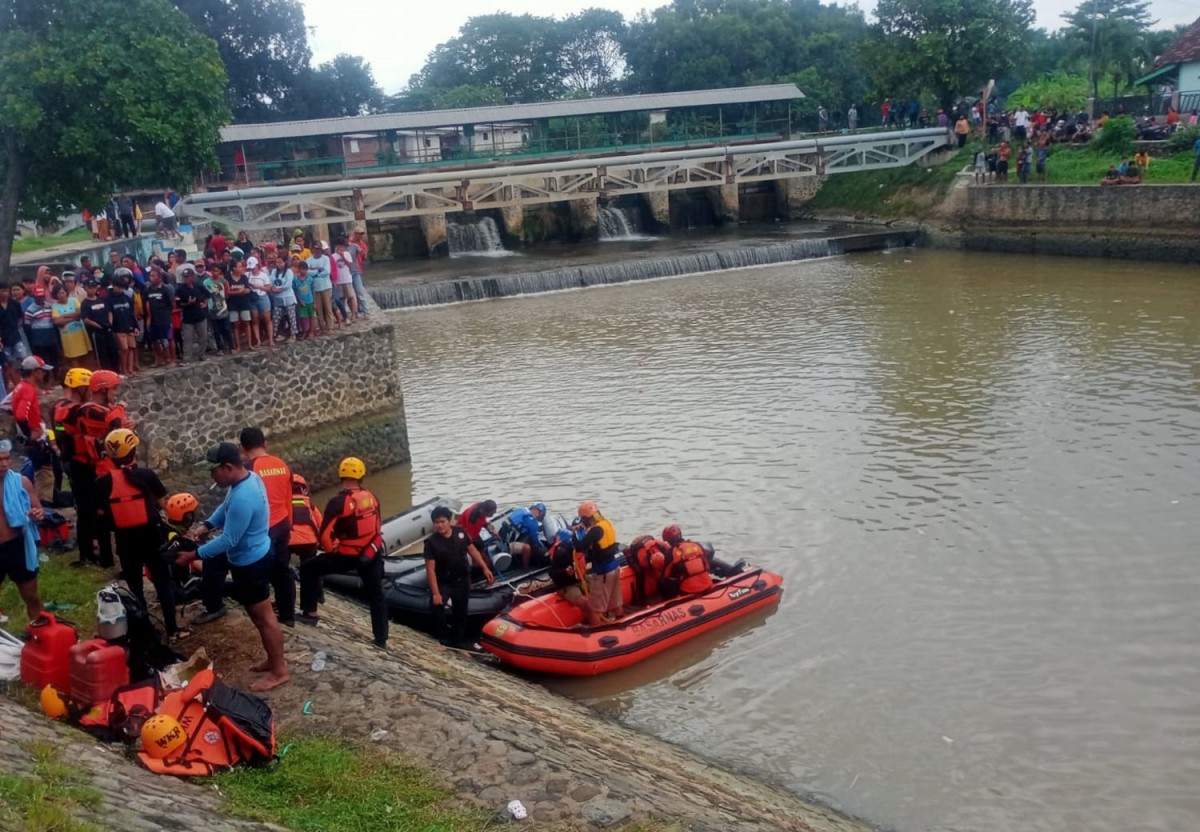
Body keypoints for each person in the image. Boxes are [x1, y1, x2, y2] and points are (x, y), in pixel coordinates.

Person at [178, 443, 288, 692]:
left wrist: (193, 555)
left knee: (265, 618)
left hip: (252, 562)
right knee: (259, 617)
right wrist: (207, 524)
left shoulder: (244, 496)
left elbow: (229, 540)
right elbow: (224, 509)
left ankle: (280, 670)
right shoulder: (247, 480)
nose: (211, 476)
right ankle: (272, 659)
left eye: (213, 471)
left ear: (228, 467)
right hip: (251, 556)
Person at [95, 429, 188, 641]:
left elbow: (100, 514)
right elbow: (163, 503)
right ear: (133, 450)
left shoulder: (102, 482)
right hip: (151, 537)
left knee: (135, 586)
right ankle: (173, 630)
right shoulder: (146, 476)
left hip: (125, 541)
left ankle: (145, 633)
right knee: (162, 582)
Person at [297, 457, 388, 646]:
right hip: (371, 553)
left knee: (308, 568)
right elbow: (377, 527)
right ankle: (381, 639)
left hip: (347, 555)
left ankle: (310, 612)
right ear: (361, 475)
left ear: (341, 475)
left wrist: (331, 552)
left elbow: (324, 536)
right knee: (376, 594)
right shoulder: (372, 497)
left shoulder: (337, 502)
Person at [240, 427, 294, 626]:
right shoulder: (282, 464)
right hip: (282, 524)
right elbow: (289, 498)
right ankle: (288, 616)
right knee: (282, 570)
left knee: (259, 571)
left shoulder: (248, 468)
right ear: (265, 443)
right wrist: (290, 524)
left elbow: (243, 502)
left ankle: (265, 616)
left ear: (242, 448)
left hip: (261, 528)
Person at [422, 504, 494, 648]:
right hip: (443, 580)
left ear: (450, 521)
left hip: (462, 579)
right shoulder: (431, 542)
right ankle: (443, 640)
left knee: (461, 612)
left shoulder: (460, 532)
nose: (440, 525)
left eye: (443, 521)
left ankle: (457, 642)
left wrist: (485, 567)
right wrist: (436, 593)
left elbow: (472, 550)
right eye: (437, 522)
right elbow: (430, 569)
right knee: (436, 607)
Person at [0, 439, 46, 624]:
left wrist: (37, 514)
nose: (4, 464)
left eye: (6, 459)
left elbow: (39, 512)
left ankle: (39, 635)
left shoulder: (22, 482)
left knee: (31, 596)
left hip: (16, 546)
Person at [574, 501, 623, 622]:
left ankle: (597, 634)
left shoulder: (595, 531)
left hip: (603, 572)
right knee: (616, 603)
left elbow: (580, 546)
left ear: (586, 518)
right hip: (614, 567)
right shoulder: (606, 523)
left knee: (594, 609)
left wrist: (574, 534)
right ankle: (621, 621)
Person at [546, 528, 591, 622]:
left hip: (580, 578)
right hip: (567, 585)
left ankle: (603, 613)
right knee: (584, 603)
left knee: (599, 588)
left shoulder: (580, 551)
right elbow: (552, 573)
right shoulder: (560, 553)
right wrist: (565, 572)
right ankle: (590, 622)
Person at [660, 525, 713, 599]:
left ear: (668, 541)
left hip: (688, 590)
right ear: (680, 534)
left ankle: (666, 603)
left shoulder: (671, 552)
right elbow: (707, 566)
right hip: (707, 584)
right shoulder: (696, 545)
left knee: (661, 582)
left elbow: (665, 575)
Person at [80, 279, 118, 372]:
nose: (92, 290)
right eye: (90, 288)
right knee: (102, 354)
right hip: (96, 332)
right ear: (85, 289)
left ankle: (116, 371)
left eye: (94, 287)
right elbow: (86, 319)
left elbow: (109, 312)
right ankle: (105, 373)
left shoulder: (102, 299)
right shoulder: (85, 303)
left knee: (113, 351)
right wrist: (98, 326)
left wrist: (109, 323)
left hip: (108, 329)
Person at [23, 286, 61, 381]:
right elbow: (27, 326)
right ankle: (46, 379)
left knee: (55, 357)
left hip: (50, 333)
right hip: (38, 335)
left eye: (42, 296)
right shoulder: (30, 310)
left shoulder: (50, 306)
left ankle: (56, 377)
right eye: (38, 296)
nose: (40, 298)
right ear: (34, 296)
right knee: (43, 359)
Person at [50, 285, 91, 370]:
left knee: (85, 355)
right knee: (73, 357)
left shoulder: (74, 300)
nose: (61, 295)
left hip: (80, 333)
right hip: (68, 336)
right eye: (59, 293)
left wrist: (64, 316)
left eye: (63, 292)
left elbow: (79, 313)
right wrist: (74, 319)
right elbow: (57, 321)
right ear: (55, 295)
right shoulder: (55, 306)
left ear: (66, 293)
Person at [626, 534, 673, 607]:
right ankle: (641, 598)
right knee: (640, 571)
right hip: (635, 549)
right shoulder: (644, 560)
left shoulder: (663, 547)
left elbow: (671, 550)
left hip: (649, 540)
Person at [107, 272, 139, 376]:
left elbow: (131, 313)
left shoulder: (126, 298)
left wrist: (135, 326)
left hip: (129, 327)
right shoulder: (109, 299)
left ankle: (130, 370)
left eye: (122, 288)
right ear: (114, 286)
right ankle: (123, 369)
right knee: (124, 349)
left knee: (131, 348)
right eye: (119, 287)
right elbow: (109, 314)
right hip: (118, 328)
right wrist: (110, 327)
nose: (120, 289)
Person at [175, 266, 208, 363]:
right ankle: (187, 358)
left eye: (187, 276)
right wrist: (187, 303)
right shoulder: (180, 289)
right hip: (188, 318)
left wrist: (205, 303)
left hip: (200, 315)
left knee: (203, 337)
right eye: (184, 277)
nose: (186, 278)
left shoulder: (199, 285)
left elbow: (207, 294)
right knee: (188, 339)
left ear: (192, 277)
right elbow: (178, 304)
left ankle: (201, 354)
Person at [287, 473, 322, 566]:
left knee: (282, 566)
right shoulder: (309, 505)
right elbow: (322, 524)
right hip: (309, 541)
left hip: (288, 541)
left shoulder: (281, 505)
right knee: (309, 567)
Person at [143, 267, 176, 367]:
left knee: (168, 339)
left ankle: (171, 359)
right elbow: (147, 303)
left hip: (165, 319)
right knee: (155, 340)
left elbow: (172, 304)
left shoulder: (166, 289)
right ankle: (159, 360)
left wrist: (166, 314)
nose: (151, 278)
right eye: (150, 275)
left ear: (159, 277)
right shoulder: (148, 289)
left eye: (153, 276)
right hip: (153, 319)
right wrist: (149, 317)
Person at [501, 502, 547, 570]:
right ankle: (526, 569)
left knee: (527, 537)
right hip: (506, 546)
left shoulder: (521, 510)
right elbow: (536, 540)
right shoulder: (532, 521)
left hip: (502, 539)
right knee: (527, 548)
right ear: (540, 513)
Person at [203, 263, 234, 354]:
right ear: (210, 271)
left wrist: (221, 301)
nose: (215, 273)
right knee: (216, 330)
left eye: (217, 271)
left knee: (227, 329)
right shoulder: (206, 283)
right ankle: (220, 348)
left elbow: (227, 294)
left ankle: (231, 347)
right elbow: (205, 295)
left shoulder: (224, 282)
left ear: (220, 272)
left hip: (223, 308)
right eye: (213, 271)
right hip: (212, 309)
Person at [307, 241, 335, 335]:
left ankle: (330, 327)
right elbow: (307, 273)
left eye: (319, 248)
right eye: (315, 248)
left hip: (326, 286)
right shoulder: (309, 260)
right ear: (312, 249)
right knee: (318, 309)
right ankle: (322, 328)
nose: (317, 250)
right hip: (315, 287)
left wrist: (314, 271)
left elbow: (327, 272)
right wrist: (319, 271)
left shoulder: (326, 259)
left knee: (328, 308)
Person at [245, 256, 274, 348]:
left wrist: (259, 287)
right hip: (252, 298)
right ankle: (258, 341)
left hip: (262, 296)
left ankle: (270, 339)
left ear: (257, 266)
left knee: (267, 319)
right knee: (255, 320)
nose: (252, 270)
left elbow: (269, 288)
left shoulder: (263, 275)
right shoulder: (247, 275)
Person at [226, 259, 254, 351]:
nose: (242, 268)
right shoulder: (228, 278)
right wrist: (239, 292)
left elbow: (248, 289)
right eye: (240, 266)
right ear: (233, 268)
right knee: (235, 325)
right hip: (233, 304)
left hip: (244, 303)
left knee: (246, 323)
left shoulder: (244, 277)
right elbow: (227, 292)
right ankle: (238, 346)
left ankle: (249, 344)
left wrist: (243, 291)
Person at [268, 254, 297, 341]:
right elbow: (271, 281)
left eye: (280, 262)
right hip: (277, 298)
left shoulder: (289, 272)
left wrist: (279, 289)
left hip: (288, 297)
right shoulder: (273, 272)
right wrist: (273, 288)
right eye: (277, 262)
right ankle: (276, 334)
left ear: (285, 262)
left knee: (291, 317)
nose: (278, 264)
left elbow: (288, 284)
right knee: (276, 317)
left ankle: (293, 335)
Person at [292, 261, 315, 340]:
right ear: (299, 269)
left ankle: (311, 331)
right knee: (303, 318)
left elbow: (313, 290)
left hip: (310, 300)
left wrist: (314, 302)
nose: (303, 271)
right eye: (302, 269)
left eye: (305, 269)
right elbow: (295, 291)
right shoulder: (295, 280)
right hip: (301, 302)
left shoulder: (310, 279)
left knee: (311, 316)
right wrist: (299, 300)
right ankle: (305, 332)